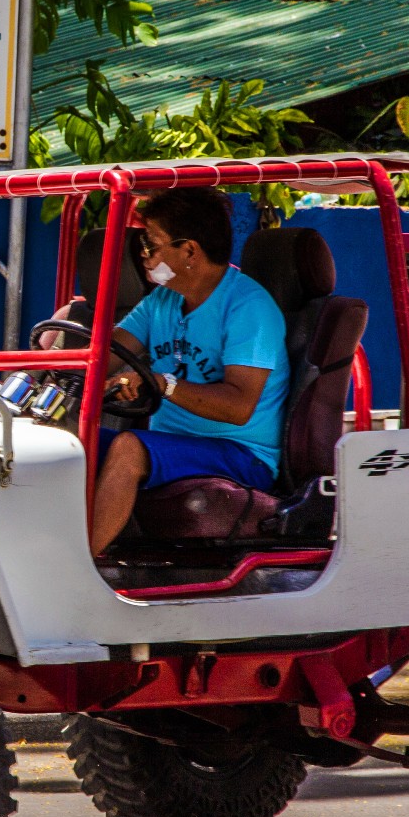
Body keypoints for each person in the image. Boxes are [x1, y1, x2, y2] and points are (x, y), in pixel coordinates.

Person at [89, 187, 289, 554]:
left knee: (129, 448)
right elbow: (105, 354)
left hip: (242, 454)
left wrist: (162, 383)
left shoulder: (248, 308)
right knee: (71, 443)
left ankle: (78, 571)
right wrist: (51, 358)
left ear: (190, 252)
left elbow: (238, 407)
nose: (145, 256)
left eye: (152, 245)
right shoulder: (164, 300)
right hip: (176, 447)